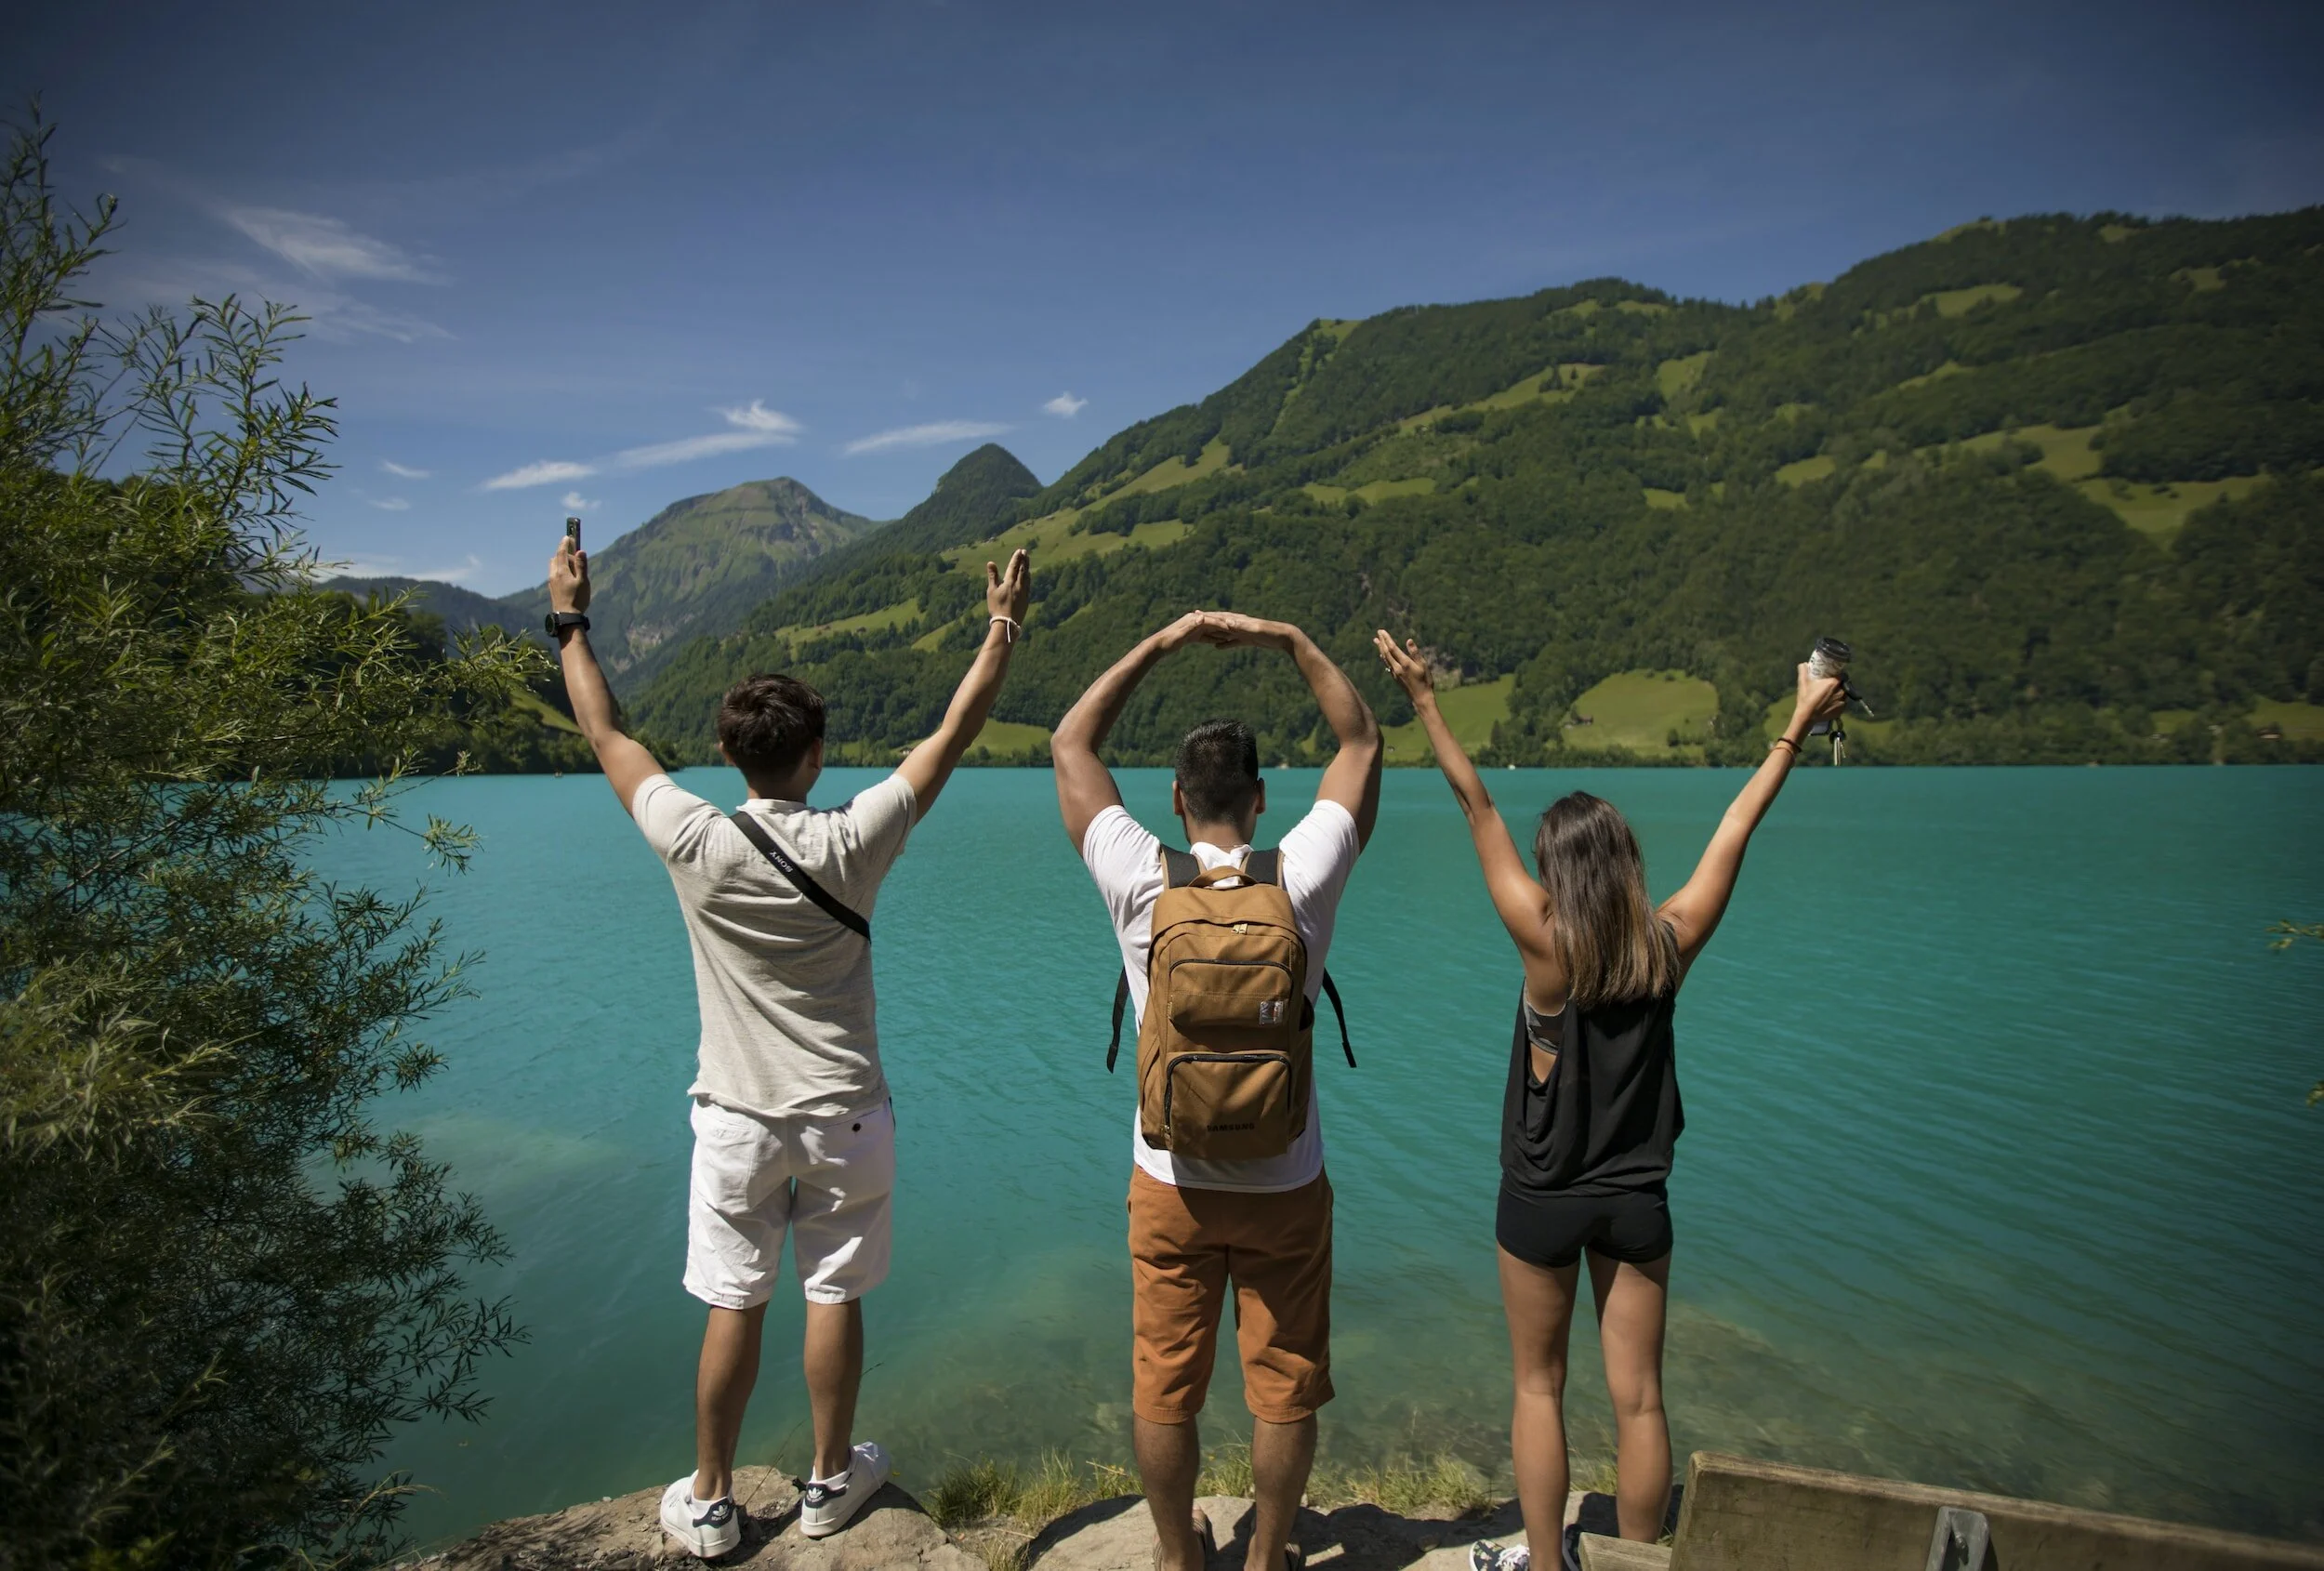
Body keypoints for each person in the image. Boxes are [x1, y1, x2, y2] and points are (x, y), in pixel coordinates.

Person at [546, 526, 1032, 1559]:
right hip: (847, 1112)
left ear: (726, 754)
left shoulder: (693, 837)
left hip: (733, 1116)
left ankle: (713, 1501)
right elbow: (949, 734)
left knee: (733, 1297)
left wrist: (570, 620)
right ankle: (826, 1481)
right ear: (815, 756)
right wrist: (999, 628)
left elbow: (605, 732)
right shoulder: (855, 839)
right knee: (835, 1289)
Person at [1370, 631, 1845, 1571]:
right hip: (1637, 1198)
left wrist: (1425, 700)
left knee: (1538, 1389)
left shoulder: (1544, 943)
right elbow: (1735, 828)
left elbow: (1475, 804)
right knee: (1640, 1399)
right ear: (1626, 867)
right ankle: (1633, 1562)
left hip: (1541, 1196)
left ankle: (1546, 1565)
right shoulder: (1667, 944)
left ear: (1556, 872)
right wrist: (1796, 721)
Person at [1053, 610, 1382, 1571]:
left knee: (1165, 1385)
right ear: (1261, 799)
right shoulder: (1305, 873)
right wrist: (1291, 641)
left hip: (1170, 1178)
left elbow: (1070, 739)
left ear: (1175, 797)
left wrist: (1160, 642)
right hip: (1285, 1180)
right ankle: (1268, 1554)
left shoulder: (1138, 876)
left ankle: (1174, 1554)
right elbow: (1360, 740)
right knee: (1281, 1386)